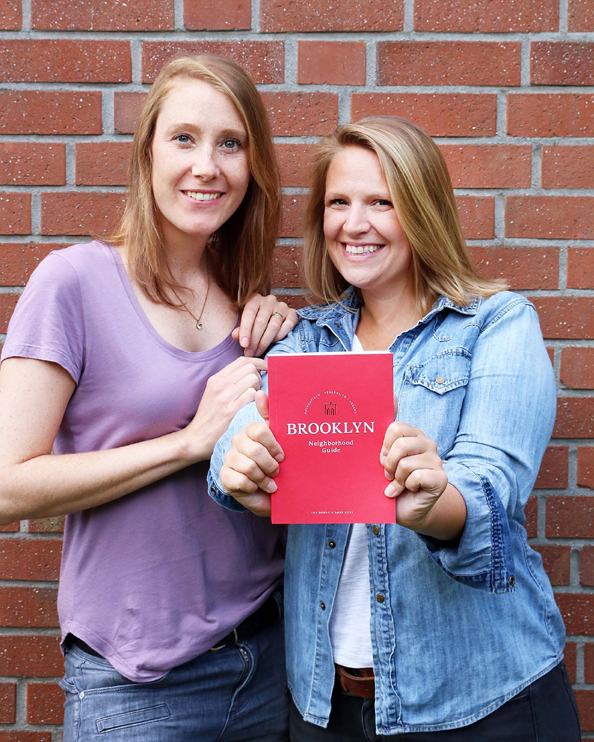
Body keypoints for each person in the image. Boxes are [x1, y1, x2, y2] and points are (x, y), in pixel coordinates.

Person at [208, 116, 581, 740]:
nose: (354, 224)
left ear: (422, 210)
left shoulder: (496, 325)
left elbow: (492, 490)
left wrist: (434, 503)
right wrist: (241, 466)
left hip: (482, 701)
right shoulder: (304, 341)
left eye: (381, 202)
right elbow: (242, 432)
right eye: (338, 203)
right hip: (327, 706)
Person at [0, 54, 296, 741]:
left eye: (231, 143)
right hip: (136, 685)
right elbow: (2, 489)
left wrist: (294, 343)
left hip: (266, 663)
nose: (207, 166)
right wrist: (189, 441)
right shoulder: (73, 283)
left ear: (253, 167)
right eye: (184, 138)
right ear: (147, 152)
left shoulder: (248, 304)